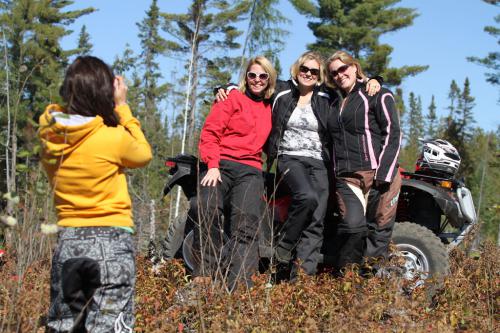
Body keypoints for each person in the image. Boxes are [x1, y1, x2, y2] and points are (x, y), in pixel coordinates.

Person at [216, 52, 382, 280]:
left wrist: (375, 80)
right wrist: (228, 87)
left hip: (320, 162)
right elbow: (255, 86)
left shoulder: (327, 96)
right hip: (289, 158)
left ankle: (301, 281)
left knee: (316, 222)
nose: (308, 74)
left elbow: (352, 86)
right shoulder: (281, 91)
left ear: (320, 75)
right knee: (307, 196)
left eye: (314, 71)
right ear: (297, 69)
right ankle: (284, 245)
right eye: (305, 69)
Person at [39, 56, 152, 332]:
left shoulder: (51, 137)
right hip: (111, 243)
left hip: (68, 243)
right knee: (110, 326)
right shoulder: (111, 137)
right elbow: (143, 153)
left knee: (65, 326)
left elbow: (57, 115)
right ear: (105, 92)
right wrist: (123, 108)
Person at [195, 56, 277, 292]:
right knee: (207, 205)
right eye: (252, 75)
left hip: (251, 169)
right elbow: (210, 133)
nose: (257, 80)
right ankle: (206, 272)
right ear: (246, 77)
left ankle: (239, 285)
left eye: (263, 76)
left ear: (269, 79)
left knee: (246, 222)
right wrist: (212, 165)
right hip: (220, 164)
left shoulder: (271, 105)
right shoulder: (231, 98)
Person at [326, 50, 402, 271]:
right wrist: (230, 88)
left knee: (378, 233)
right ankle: (345, 286)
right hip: (348, 177)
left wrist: (383, 174)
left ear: (354, 67)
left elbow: (393, 133)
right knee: (352, 227)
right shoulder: (332, 101)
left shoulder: (378, 94)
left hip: (380, 174)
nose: (340, 75)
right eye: (334, 73)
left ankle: (365, 292)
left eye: (343, 68)